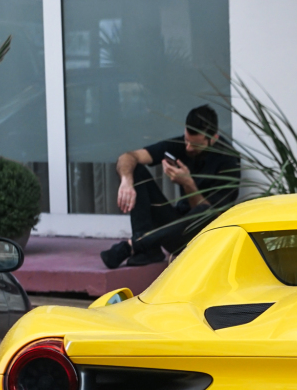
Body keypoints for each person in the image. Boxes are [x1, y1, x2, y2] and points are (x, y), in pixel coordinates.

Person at [100, 104, 240, 269]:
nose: (188, 147)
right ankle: (147, 250)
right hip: (174, 227)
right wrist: (126, 181)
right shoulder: (180, 144)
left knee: (205, 211)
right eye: (187, 140)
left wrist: (188, 184)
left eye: (195, 144)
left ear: (213, 138)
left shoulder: (228, 161)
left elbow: (208, 219)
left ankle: (134, 245)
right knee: (135, 169)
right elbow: (130, 156)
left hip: (201, 236)